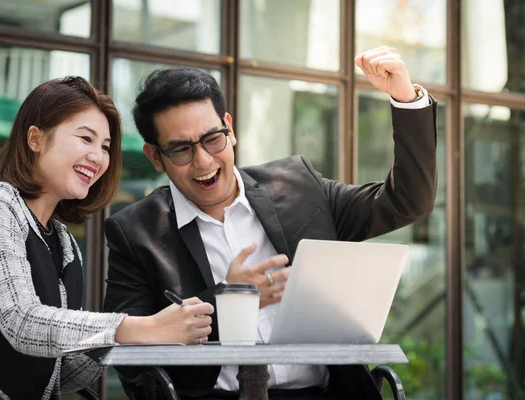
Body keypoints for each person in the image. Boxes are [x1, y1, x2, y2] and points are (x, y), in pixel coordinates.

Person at [103, 46, 437, 400]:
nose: (203, 161)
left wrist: (405, 98)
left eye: (212, 139)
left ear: (229, 129)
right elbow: (132, 361)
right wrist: (227, 301)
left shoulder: (298, 186)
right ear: (156, 156)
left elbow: (406, 201)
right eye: (181, 149)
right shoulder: (135, 232)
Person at [0, 76, 214, 400]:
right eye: (85, 138)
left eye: (105, 147)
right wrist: (139, 328)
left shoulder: (64, 244)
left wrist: (143, 330)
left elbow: (61, 372)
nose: (98, 156)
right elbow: (21, 322)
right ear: (35, 138)